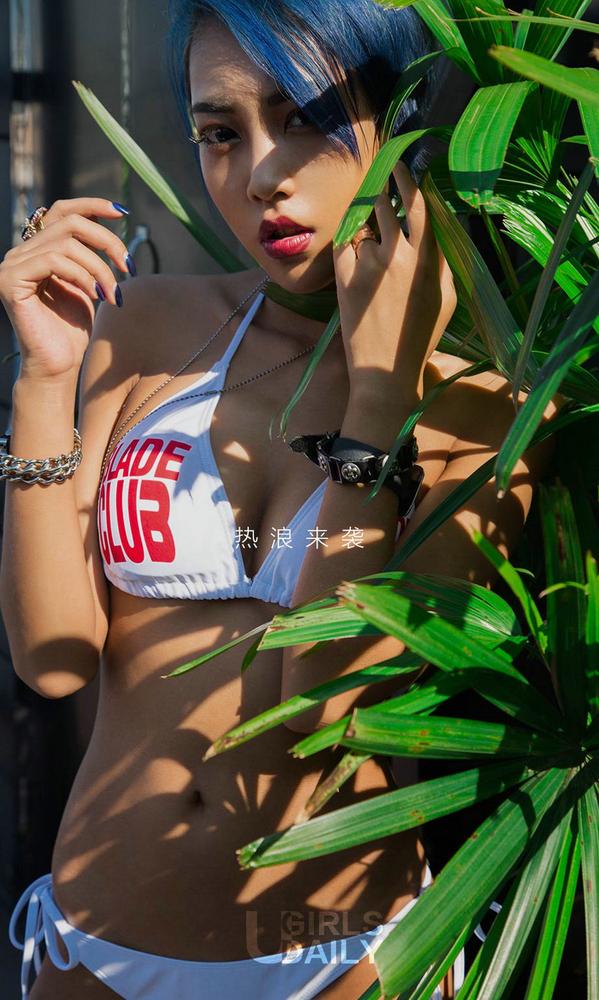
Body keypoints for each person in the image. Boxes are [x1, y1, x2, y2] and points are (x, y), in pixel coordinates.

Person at [0, 1, 558, 998]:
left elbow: (332, 697)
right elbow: (53, 657)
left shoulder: (485, 412)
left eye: (303, 117)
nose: (259, 173)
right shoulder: (146, 326)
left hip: (341, 956)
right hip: (102, 944)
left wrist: (379, 399)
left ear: (400, 122)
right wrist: (43, 382)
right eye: (220, 133)